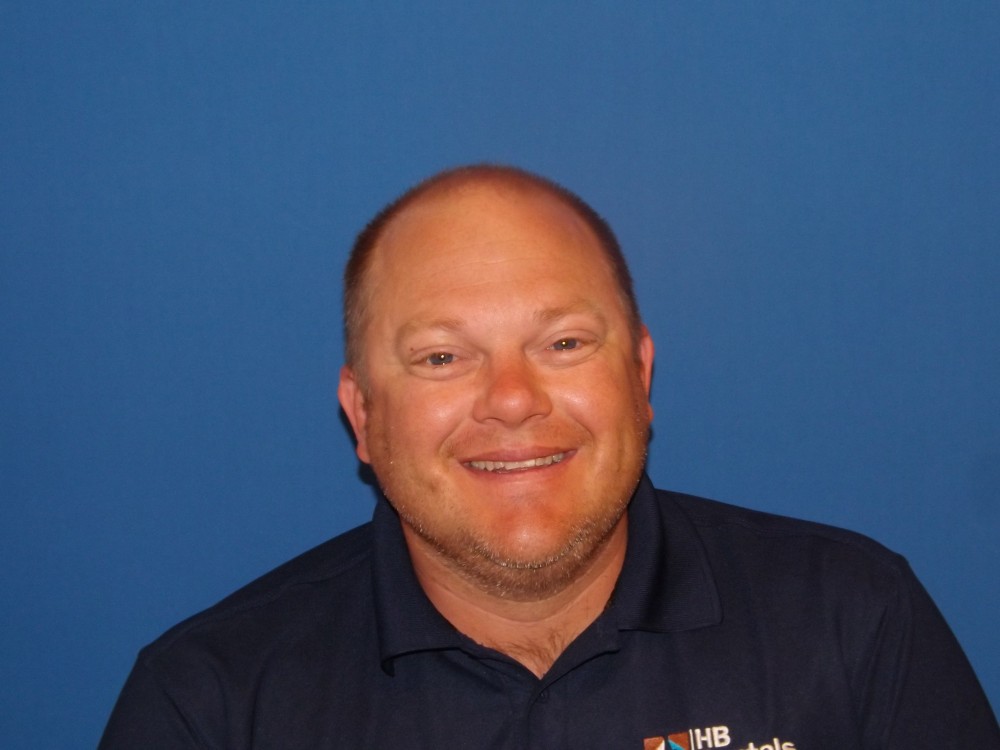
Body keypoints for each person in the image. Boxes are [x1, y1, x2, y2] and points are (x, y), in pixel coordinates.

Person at [100, 165, 998, 749]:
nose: (513, 399)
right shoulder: (210, 706)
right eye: (442, 357)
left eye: (564, 343)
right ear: (362, 417)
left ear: (639, 376)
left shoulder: (855, 624)